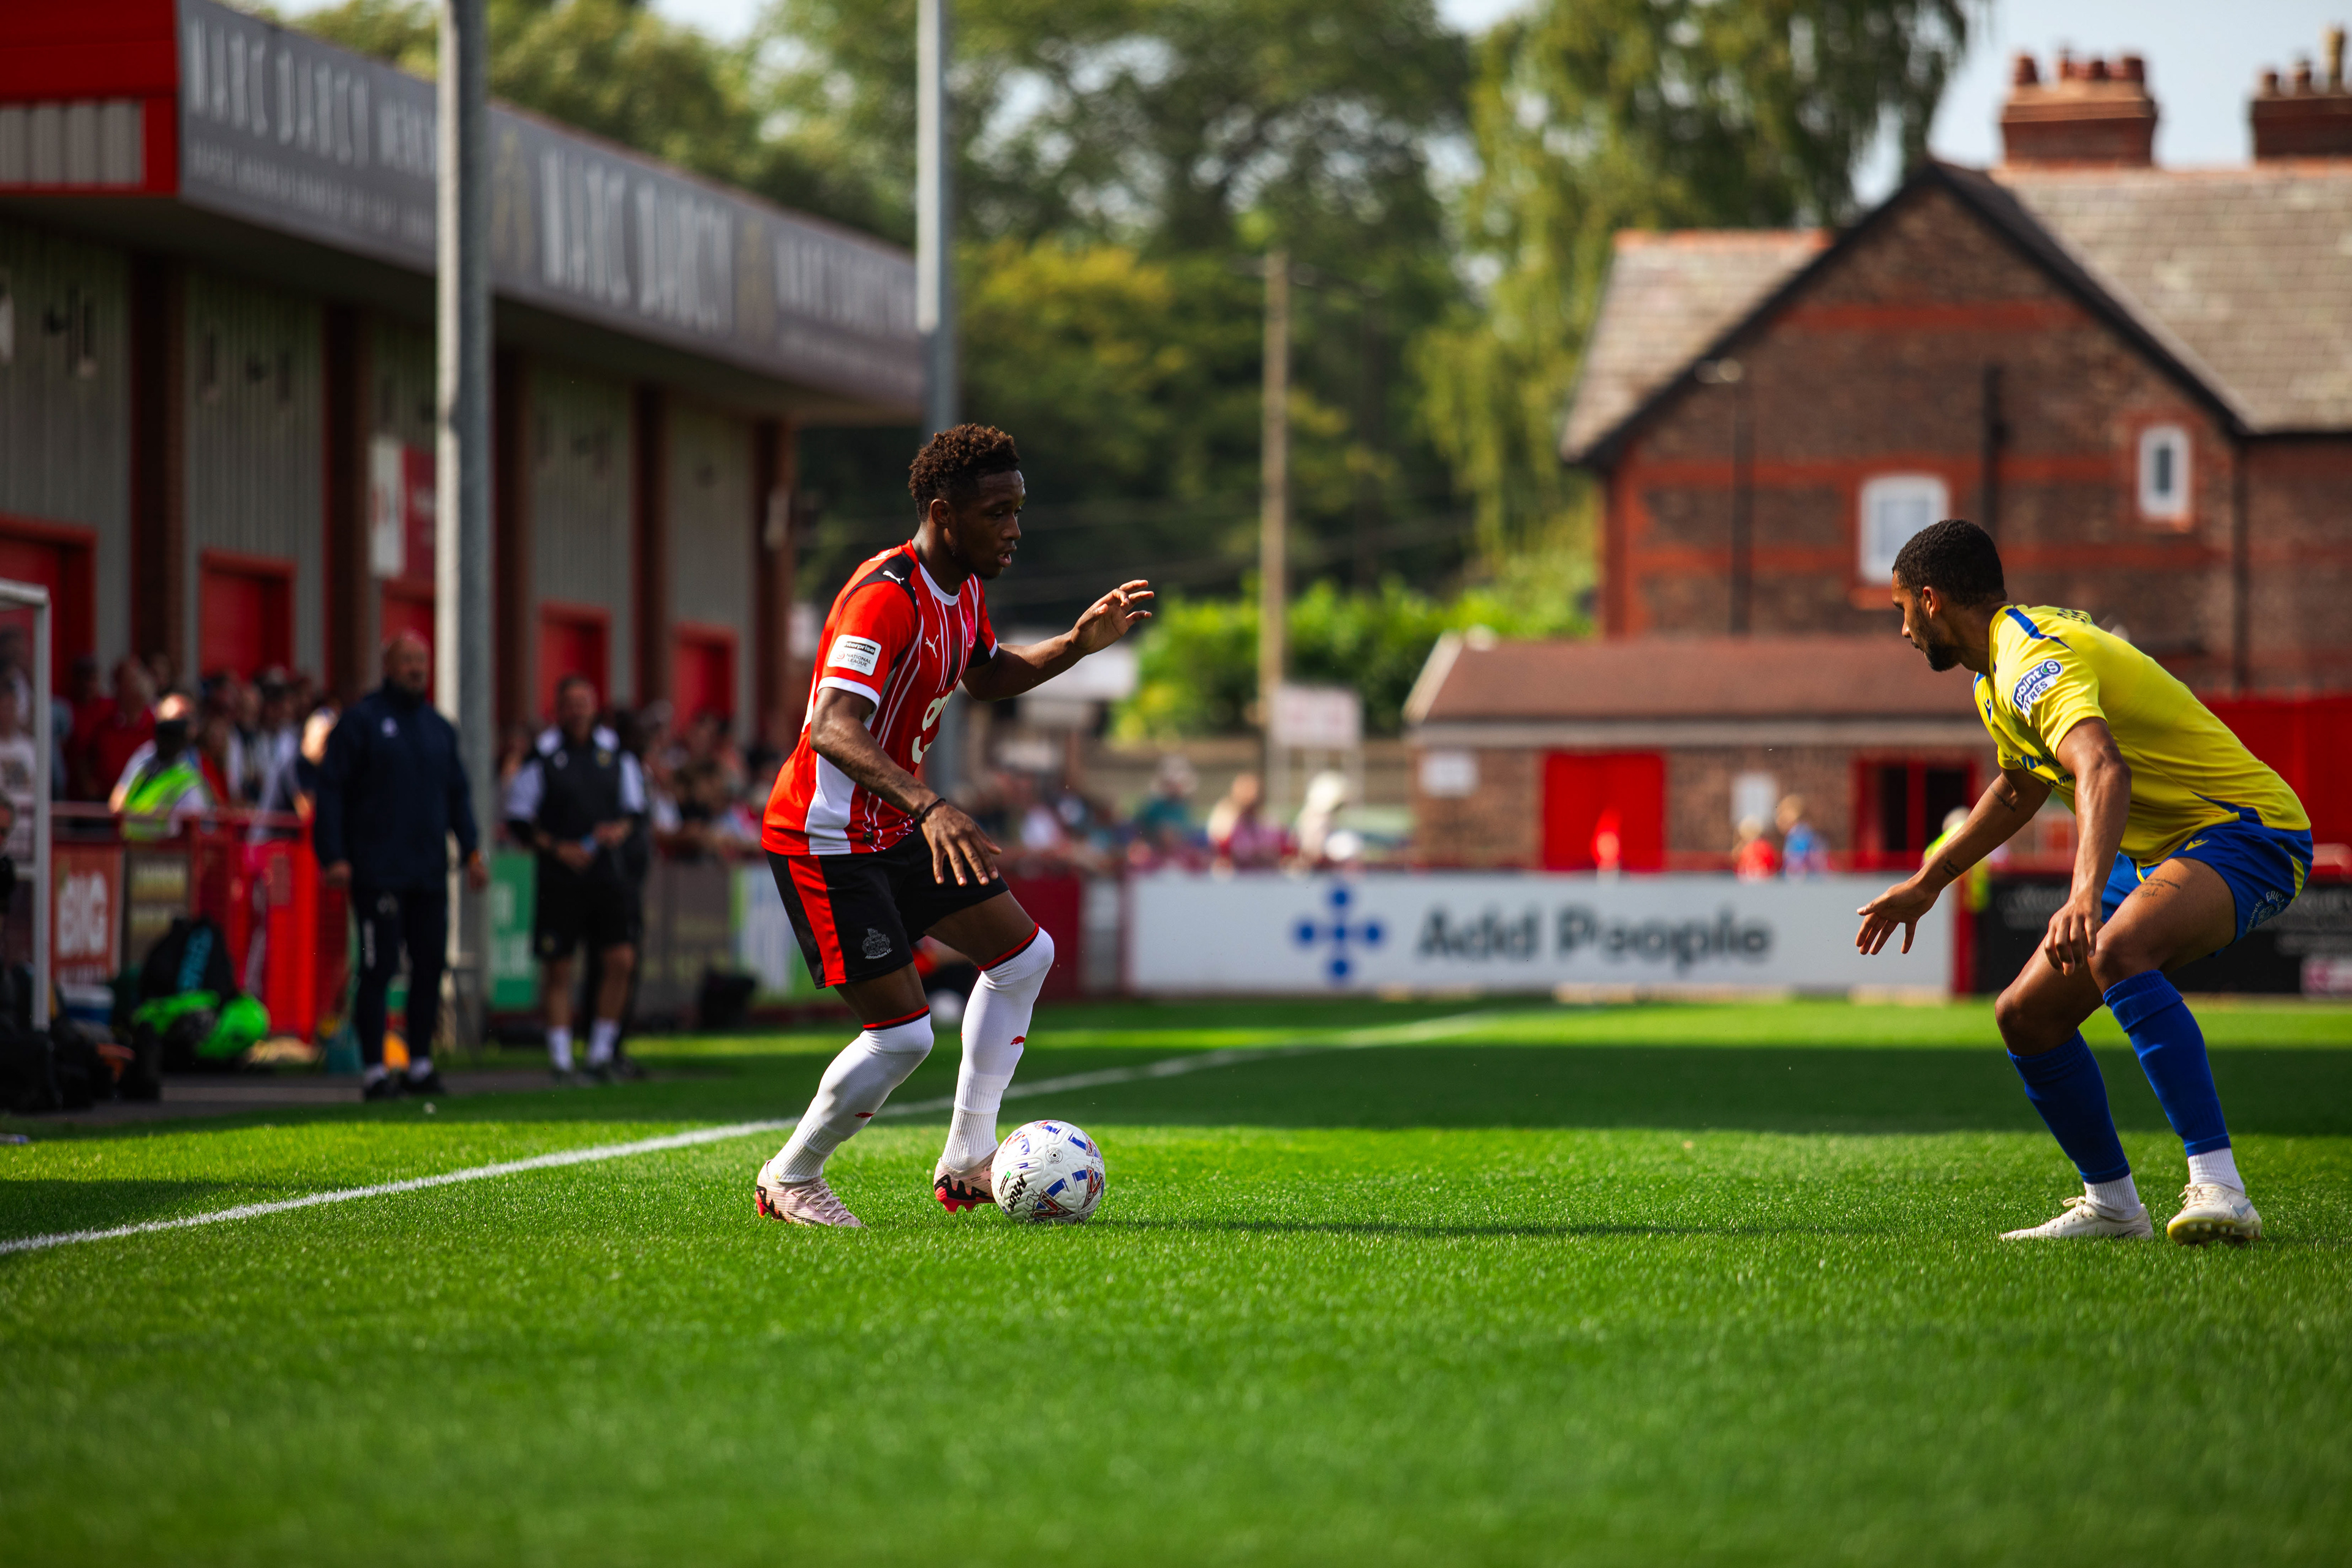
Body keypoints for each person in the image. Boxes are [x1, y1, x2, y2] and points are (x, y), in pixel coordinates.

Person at [1858, 519, 2309, 1246]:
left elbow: (2102, 767)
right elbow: (2018, 788)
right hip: (2162, 852)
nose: (1903, 628)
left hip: (2251, 832)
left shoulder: (2034, 655)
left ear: (1932, 599)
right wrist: (1928, 881)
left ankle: (2221, 1186)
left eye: (1900, 607)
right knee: (2025, 1016)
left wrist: (2079, 894)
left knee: (2117, 948)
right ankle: (2113, 1206)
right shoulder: (1994, 677)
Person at [751, 423, 1152, 1227]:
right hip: (826, 837)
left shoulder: (961, 587)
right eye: (998, 512)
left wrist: (1076, 644)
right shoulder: (882, 598)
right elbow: (831, 725)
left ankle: (970, 1156)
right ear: (943, 513)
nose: (1014, 528)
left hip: (892, 826)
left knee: (1023, 956)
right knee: (902, 1037)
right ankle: (790, 1178)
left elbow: (988, 671)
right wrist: (931, 806)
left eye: (1018, 509)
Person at [314, 633, 488, 1101]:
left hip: (429, 871)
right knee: (378, 967)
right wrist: (333, 855)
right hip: (378, 872)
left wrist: (472, 850)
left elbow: (459, 796)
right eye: (407, 660)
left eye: (422, 660)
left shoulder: (439, 728)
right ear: (387, 666)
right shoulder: (361, 723)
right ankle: (375, 1070)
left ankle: (420, 1064)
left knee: (429, 965)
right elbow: (330, 792)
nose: (416, 668)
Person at [503, 674, 647, 1084]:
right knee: (559, 968)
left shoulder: (616, 754)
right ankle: (561, 1060)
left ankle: (601, 1052)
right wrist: (557, 848)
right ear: (558, 709)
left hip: (608, 875)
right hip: (560, 878)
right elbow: (519, 820)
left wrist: (617, 831)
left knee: (621, 960)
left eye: (585, 701)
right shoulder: (542, 756)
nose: (578, 710)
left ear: (594, 704)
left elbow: (634, 812)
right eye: (570, 703)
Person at [111, 695, 213, 840]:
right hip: (131, 847)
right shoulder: (144, 758)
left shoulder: (189, 776)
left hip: (168, 854)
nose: (165, 742)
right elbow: (117, 802)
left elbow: (197, 826)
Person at [1206, 772, 1283, 870]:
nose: (1252, 795)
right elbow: (1221, 850)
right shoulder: (1225, 817)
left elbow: (1277, 850)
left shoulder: (1268, 819)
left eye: (1255, 790)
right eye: (1246, 789)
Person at [0, 684, 38, 862]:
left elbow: (36, 788)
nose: (8, 713)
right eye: (4, 708)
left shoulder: (29, 748)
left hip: (26, 834)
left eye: (11, 708)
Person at [1776, 794, 1827, 877]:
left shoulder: (1798, 836)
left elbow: (1796, 868)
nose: (1778, 820)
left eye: (1780, 815)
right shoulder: (1805, 832)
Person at [1732, 815, 1779, 881]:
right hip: (1765, 877)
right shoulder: (1766, 845)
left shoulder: (1746, 848)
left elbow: (1740, 864)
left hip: (1750, 877)